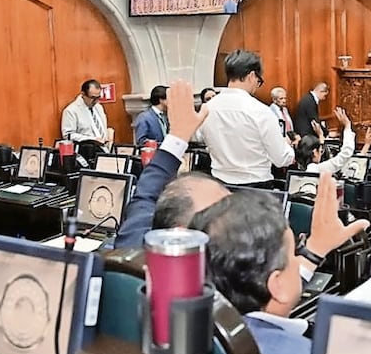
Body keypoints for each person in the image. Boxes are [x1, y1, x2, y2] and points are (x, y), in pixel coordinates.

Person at [191, 172, 368, 354]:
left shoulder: (184, 337)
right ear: (277, 284)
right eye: (294, 255)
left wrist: (315, 250)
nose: (298, 262)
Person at [114, 79, 226, 249]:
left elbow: (143, 199)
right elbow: (142, 141)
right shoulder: (145, 117)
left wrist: (177, 137)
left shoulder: (131, 247)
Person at [197, 50, 296, 187]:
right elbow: (281, 159)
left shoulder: (207, 108)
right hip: (255, 188)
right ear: (251, 76)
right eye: (258, 81)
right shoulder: (261, 111)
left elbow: (199, 138)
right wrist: (288, 146)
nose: (257, 85)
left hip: (219, 186)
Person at [295, 107, 371, 174]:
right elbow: (345, 153)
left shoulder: (298, 171)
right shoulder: (318, 169)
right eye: (320, 151)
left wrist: (321, 135)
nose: (321, 153)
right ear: (314, 152)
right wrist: (347, 125)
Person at [61, 79, 111, 150]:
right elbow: (68, 135)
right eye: (93, 98)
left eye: (98, 97)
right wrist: (92, 139)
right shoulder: (71, 111)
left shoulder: (99, 107)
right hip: (87, 151)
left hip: (105, 149)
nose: (96, 101)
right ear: (83, 94)